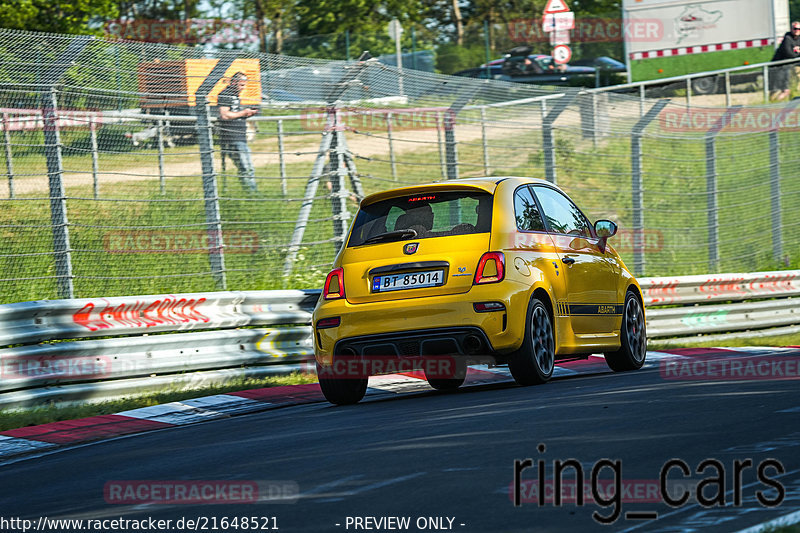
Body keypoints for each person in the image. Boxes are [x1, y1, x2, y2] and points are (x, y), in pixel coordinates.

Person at [217, 72, 259, 193]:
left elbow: (234, 114)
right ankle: (252, 194)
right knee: (246, 168)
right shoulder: (225, 94)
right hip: (232, 137)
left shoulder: (235, 96)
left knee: (248, 167)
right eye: (241, 84)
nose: (243, 87)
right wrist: (243, 113)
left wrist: (247, 114)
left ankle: (251, 192)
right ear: (234, 82)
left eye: (244, 85)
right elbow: (224, 115)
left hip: (240, 137)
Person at [771, 21, 800, 100]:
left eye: (799, 29)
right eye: (795, 28)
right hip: (779, 67)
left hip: (788, 67)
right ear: (791, 29)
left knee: (787, 90)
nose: (797, 30)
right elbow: (789, 54)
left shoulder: (798, 39)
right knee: (777, 90)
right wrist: (797, 53)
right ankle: (774, 103)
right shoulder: (787, 38)